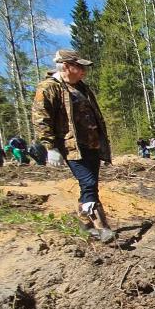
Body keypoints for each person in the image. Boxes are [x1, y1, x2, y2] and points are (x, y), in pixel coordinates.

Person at [32, 49, 116, 243]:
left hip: (92, 145)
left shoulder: (82, 88)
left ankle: (85, 225)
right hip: (72, 147)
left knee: (88, 186)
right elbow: (40, 118)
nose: (83, 72)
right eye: (79, 67)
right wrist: (50, 147)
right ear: (66, 66)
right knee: (89, 185)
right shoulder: (49, 88)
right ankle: (102, 227)